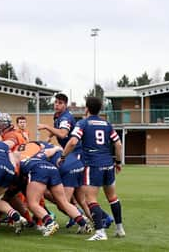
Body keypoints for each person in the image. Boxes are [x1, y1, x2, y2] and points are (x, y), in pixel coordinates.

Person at [61, 96, 125, 241]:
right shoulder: (107, 124)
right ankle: (120, 229)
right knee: (112, 198)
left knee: (90, 199)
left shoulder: (83, 123)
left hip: (93, 165)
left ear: (87, 109)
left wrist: (63, 156)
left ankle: (100, 232)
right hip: (108, 164)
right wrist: (119, 162)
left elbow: (72, 142)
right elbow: (118, 144)